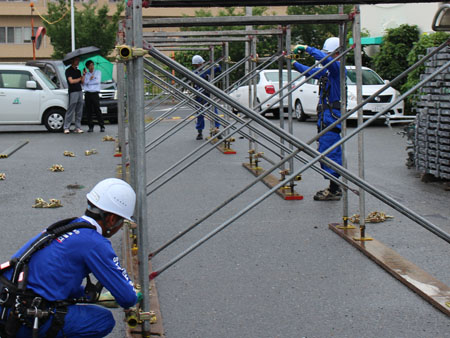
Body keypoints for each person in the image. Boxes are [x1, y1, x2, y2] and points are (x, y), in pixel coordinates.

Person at [0, 178, 139, 337]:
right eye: (122, 221)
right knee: (102, 320)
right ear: (112, 219)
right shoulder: (94, 242)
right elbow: (128, 298)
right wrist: (134, 294)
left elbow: (58, 279)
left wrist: (89, 295)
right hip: (23, 316)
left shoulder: (68, 226)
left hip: (7, 302)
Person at [292, 37, 343, 201]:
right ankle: (333, 187)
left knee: (330, 154)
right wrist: (294, 64)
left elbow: (325, 59)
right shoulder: (328, 71)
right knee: (324, 153)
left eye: (328, 54)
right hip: (324, 117)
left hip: (331, 117)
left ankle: (335, 189)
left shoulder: (337, 69)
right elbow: (311, 72)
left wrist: (308, 48)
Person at [192, 55, 222, 140]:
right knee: (200, 114)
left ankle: (216, 129)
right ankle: (200, 132)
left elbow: (219, 69)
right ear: (199, 64)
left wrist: (215, 64)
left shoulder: (207, 70)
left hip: (208, 95)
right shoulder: (195, 73)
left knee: (214, 113)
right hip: (199, 95)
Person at [64, 57, 85, 134]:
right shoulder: (68, 71)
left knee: (79, 110)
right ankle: (66, 127)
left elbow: (82, 82)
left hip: (79, 90)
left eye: (78, 60)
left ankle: (78, 127)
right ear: (72, 61)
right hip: (73, 91)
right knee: (71, 108)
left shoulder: (78, 71)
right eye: (76, 60)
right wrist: (79, 79)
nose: (78, 62)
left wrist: (84, 75)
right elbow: (71, 81)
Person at [83, 60, 105, 133]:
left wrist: (90, 81)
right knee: (89, 111)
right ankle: (90, 126)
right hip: (88, 93)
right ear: (87, 67)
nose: (91, 67)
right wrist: (90, 79)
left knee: (97, 110)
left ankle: (102, 126)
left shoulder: (98, 72)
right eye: (90, 65)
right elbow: (84, 83)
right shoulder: (86, 74)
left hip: (95, 93)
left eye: (92, 65)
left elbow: (97, 81)